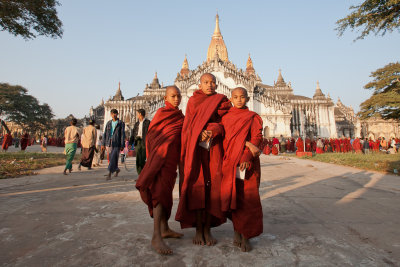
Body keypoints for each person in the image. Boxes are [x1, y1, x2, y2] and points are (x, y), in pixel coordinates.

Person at [175, 73, 231, 246]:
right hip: (196, 150)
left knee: (213, 188)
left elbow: (226, 123)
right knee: (197, 188)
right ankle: (199, 229)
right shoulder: (193, 101)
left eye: (213, 82)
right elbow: (188, 126)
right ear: (199, 84)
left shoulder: (221, 101)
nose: (210, 85)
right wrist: (199, 131)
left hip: (213, 149)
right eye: (206, 82)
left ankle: (208, 228)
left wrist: (213, 129)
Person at [136, 86, 185, 255]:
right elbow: (151, 137)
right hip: (160, 161)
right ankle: (156, 236)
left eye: (178, 95)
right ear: (165, 98)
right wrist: (154, 157)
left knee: (166, 196)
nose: (176, 98)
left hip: (171, 163)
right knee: (158, 196)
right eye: (173, 96)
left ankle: (164, 228)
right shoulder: (161, 114)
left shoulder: (179, 116)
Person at [221, 87, 263, 252]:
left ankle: (246, 235)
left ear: (247, 98)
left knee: (248, 200)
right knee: (234, 199)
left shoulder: (253, 117)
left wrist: (246, 155)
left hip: (247, 164)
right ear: (231, 98)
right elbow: (224, 137)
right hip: (231, 163)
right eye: (235, 97)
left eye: (242, 97)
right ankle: (237, 231)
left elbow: (257, 138)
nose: (239, 100)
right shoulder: (226, 117)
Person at [102, 109, 125, 180]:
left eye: (115, 113)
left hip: (117, 142)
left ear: (117, 114)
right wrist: (103, 144)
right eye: (112, 113)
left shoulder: (120, 123)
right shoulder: (108, 123)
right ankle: (116, 169)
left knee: (113, 157)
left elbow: (122, 134)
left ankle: (109, 173)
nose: (114, 115)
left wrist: (122, 145)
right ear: (111, 114)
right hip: (109, 142)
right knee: (112, 157)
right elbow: (105, 133)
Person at [129, 109, 150, 174]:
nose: (137, 115)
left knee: (143, 158)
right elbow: (133, 134)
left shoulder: (148, 123)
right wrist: (130, 143)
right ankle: (140, 174)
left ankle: (143, 174)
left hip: (144, 142)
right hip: (137, 141)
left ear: (140, 114)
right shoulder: (136, 124)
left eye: (137, 114)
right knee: (138, 159)